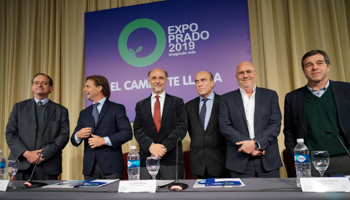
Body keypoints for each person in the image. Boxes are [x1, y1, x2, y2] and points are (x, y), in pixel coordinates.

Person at [284, 49, 350, 176]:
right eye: (309, 65)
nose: (315, 67)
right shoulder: (293, 98)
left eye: (319, 63)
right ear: (304, 71)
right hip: (310, 163)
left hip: (345, 159)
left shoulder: (347, 90)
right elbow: (289, 131)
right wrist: (296, 157)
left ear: (328, 66)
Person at [219, 61, 283, 178]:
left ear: (255, 74)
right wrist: (248, 146)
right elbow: (225, 126)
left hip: (267, 158)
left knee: (272, 196)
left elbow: (275, 124)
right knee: (243, 197)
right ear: (236, 77)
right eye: (241, 73)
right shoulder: (226, 99)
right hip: (239, 161)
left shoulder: (270, 95)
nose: (245, 75)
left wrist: (256, 144)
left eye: (248, 71)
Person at [5, 73, 69, 180]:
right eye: (36, 83)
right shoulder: (19, 107)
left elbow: (63, 136)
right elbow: (10, 134)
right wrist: (27, 154)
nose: (39, 85)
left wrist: (43, 155)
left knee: (48, 197)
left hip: (49, 166)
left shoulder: (61, 110)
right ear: (32, 87)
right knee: (19, 197)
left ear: (51, 88)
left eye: (44, 83)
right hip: (22, 164)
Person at [71, 75, 132, 180]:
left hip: (112, 168)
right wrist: (78, 135)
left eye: (88, 86)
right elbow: (73, 140)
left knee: (112, 197)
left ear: (99, 88)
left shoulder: (117, 108)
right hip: (90, 169)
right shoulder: (84, 113)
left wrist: (104, 140)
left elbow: (127, 133)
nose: (84, 89)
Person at [133, 68, 187, 180]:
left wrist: (163, 148)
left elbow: (181, 127)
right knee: (147, 196)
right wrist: (150, 146)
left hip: (171, 159)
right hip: (147, 158)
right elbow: (138, 129)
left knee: (174, 195)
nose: (157, 81)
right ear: (149, 81)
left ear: (166, 81)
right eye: (154, 78)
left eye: (161, 78)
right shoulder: (140, 105)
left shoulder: (178, 102)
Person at [185, 71, 227, 179]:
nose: (199, 84)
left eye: (203, 80)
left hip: (220, 163)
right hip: (198, 165)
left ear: (212, 83)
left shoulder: (224, 102)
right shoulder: (189, 106)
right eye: (196, 81)